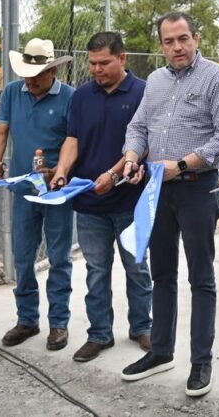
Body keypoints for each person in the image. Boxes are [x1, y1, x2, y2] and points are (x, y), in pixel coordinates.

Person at [119, 12, 219, 397]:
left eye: (183, 39)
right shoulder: (154, 81)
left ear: (196, 38)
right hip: (157, 188)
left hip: (196, 188)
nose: (177, 47)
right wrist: (133, 157)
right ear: (161, 45)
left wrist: (183, 164)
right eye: (169, 41)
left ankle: (200, 362)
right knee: (162, 274)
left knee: (201, 277)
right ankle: (161, 351)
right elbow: (138, 127)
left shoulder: (218, 78)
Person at [50, 31, 153, 362]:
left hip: (129, 201)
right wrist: (63, 170)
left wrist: (112, 175)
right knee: (96, 270)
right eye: (92, 63)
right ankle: (100, 334)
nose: (97, 69)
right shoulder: (81, 96)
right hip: (89, 202)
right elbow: (72, 139)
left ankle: (142, 327)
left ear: (122, 59)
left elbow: (144, 142)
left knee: (137, 268)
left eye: (104, 63)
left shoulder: (143, 93)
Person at [0, 38, 75, 351]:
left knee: (59, 258)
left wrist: (61, 171)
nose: (31, 80)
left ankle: (59, 324)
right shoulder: (13, 91)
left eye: (37, 75)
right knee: (23, 257)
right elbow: (2, 131)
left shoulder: (69, 97)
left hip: (56, 193)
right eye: (27, 73)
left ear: (52, 70)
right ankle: (27, 319)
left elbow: (73, 141)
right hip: (23, 191)